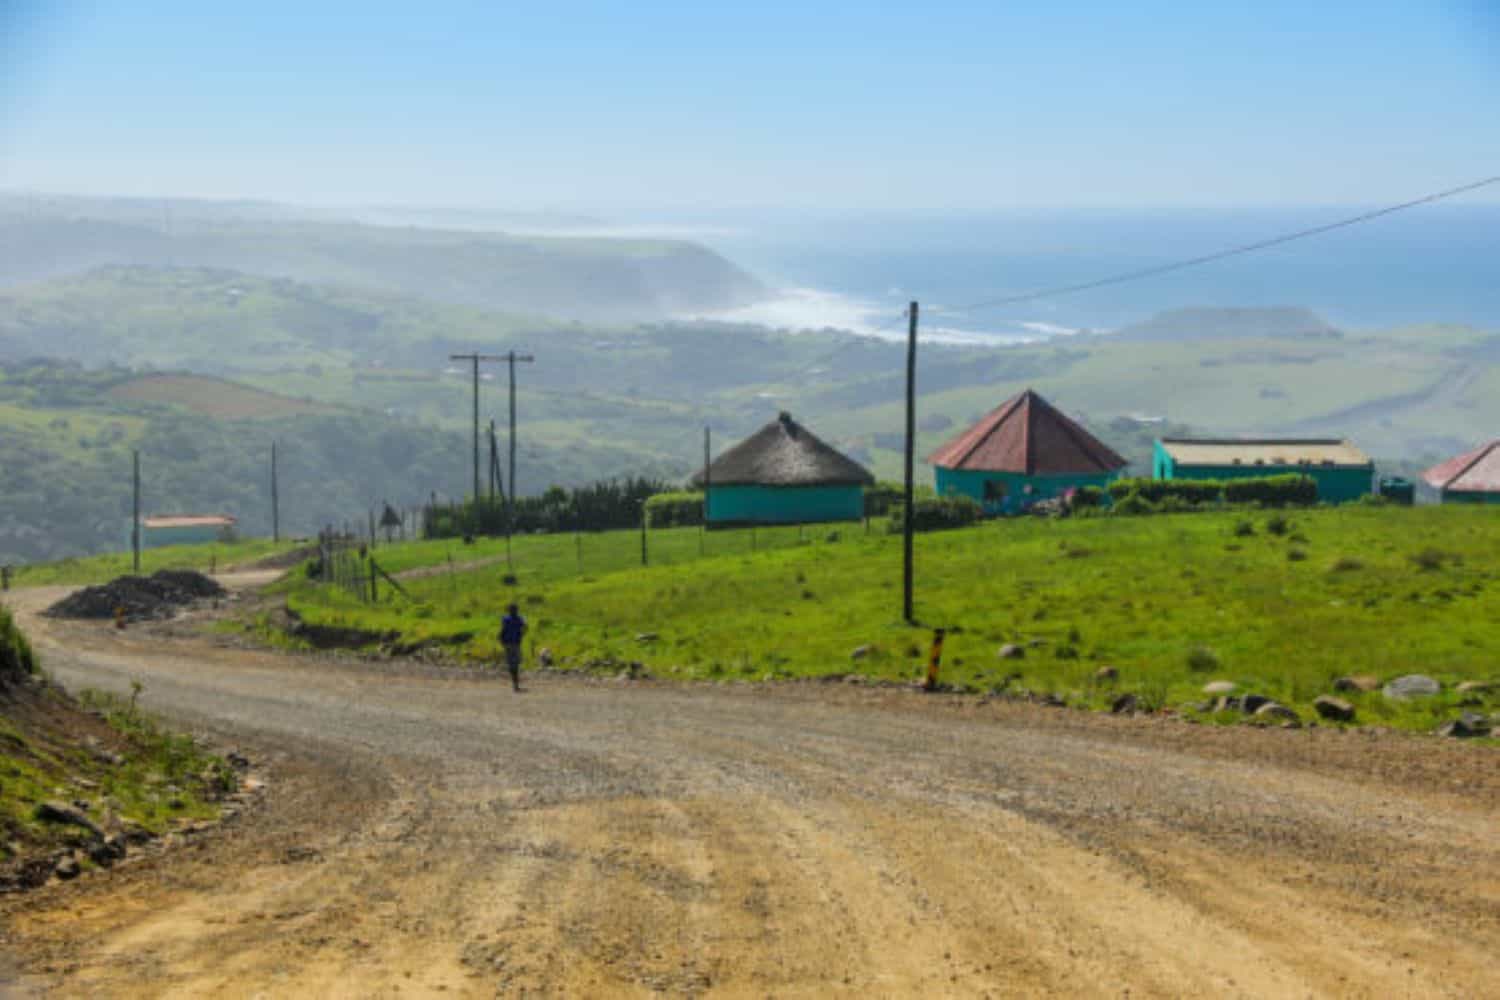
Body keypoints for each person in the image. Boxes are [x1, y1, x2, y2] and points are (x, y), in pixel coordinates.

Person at [499, 603, 527, 692]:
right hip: (515, 643)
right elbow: (526, 627)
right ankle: (515, 683)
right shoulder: (520, 619)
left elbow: (502, 630)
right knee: (515, 663)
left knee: (511, 664)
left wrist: (501, 640)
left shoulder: (506, 618)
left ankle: (515, 682)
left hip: (508, 643)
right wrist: (521, 635)